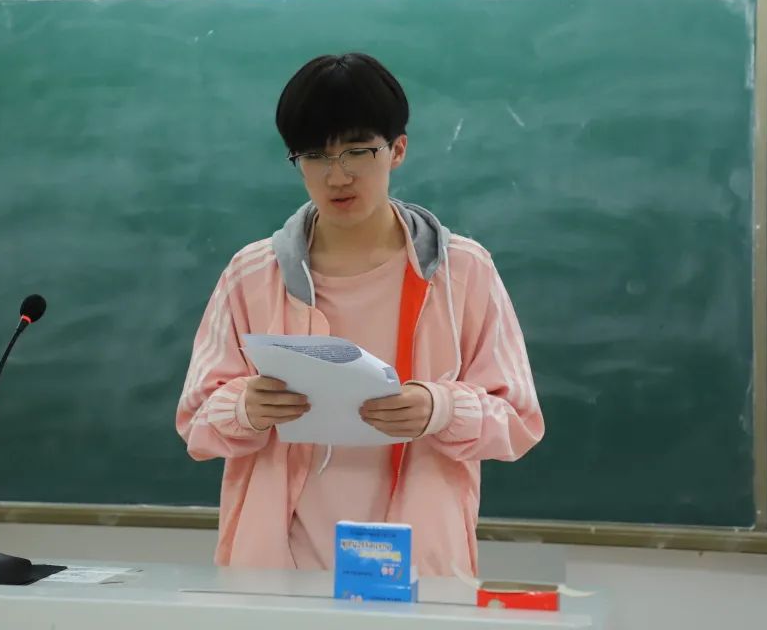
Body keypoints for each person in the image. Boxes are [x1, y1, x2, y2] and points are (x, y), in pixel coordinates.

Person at [175, 52, 544, 576]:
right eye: (315, 155)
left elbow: (519, 420)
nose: (337, 175)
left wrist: (440, 408)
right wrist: (245, 408)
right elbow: (196, 421)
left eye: (357, 151)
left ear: (397, 150)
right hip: (275, 570)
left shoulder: (463, 270)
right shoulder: (252, 273)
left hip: (417, 570)